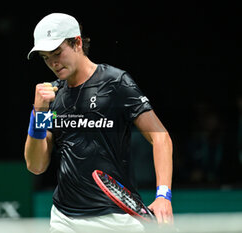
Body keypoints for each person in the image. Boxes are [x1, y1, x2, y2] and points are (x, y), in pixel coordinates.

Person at [24, 13, 173, 232]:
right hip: (65, 219)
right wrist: (38, 113)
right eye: (46, 58)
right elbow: (36, 166)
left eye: (57, 53)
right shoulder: (52, 97)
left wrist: (163, 195)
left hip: (117, 216)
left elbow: (161, 137)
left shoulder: (115, 83)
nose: (53, 63)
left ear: (77, 42)